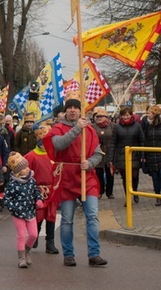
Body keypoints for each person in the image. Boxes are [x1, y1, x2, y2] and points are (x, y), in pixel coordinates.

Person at [44, 96, 108, 267]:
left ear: (80, 110)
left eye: (75, 107)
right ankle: (69, 254)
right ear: (66, 111)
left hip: (87, 177)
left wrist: (91, 163)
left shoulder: (90, 130)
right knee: (67, 219)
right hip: (67, 178)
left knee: (93, 216)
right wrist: (77, 129)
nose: (72, 110)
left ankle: (94, 254)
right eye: (70, 107)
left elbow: (97, 153)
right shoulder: (58, 128)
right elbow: (59, 144)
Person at [24, 123, 60, 254]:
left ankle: (50, 243)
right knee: (38, 217)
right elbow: (25, 174)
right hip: (37, 191)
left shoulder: (55, 155)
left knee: (51, 217)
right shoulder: (31, 156)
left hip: (51, 191)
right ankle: (34, 237)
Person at [4, 152, 44, 268]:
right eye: (24, 168)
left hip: (30, 212)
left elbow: (37, 192)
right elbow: (7, 198)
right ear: (17, 171)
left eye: (27, 166)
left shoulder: (32, 180)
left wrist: (39, 200)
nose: (27, 169)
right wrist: (14, 208)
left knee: (33, 235)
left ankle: (27, 251)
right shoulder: (12, 184)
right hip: (18, 213)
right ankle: (21, 258)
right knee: (21, 235)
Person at [110, 106, 145, 207]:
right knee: (125, 177)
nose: (125, 117)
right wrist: (111, 158)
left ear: (131, 115)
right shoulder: (117, 127)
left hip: (135, 154)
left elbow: (142, 140)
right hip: (122, 155)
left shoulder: (137, 126)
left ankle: (134, 191)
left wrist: (143, 154)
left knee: (134, 176)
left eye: (127, 115)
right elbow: (113, 143)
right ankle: (128, 197)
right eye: (123, 116)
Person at [91, 108, 115, 199]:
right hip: (98, 151)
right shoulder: (93, 127)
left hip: (109, 151)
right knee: (98, 173)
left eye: (101, 116)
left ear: (106, 117)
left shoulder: (112, 126)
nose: (99, 118)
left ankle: (110, 192)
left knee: (110, 173)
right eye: (98, 117)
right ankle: (100, 191)